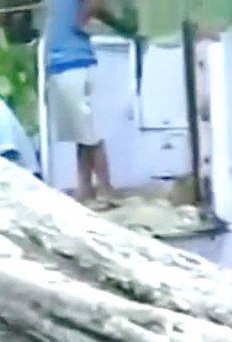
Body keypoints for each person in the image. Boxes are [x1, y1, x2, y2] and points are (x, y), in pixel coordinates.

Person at [44, 0, 137, 208]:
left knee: (89, 132)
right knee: (81, 132)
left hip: (73, 60)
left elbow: (96, 4)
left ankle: (104, 188)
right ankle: (85, 188)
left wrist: (82, 21)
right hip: (66, 61)